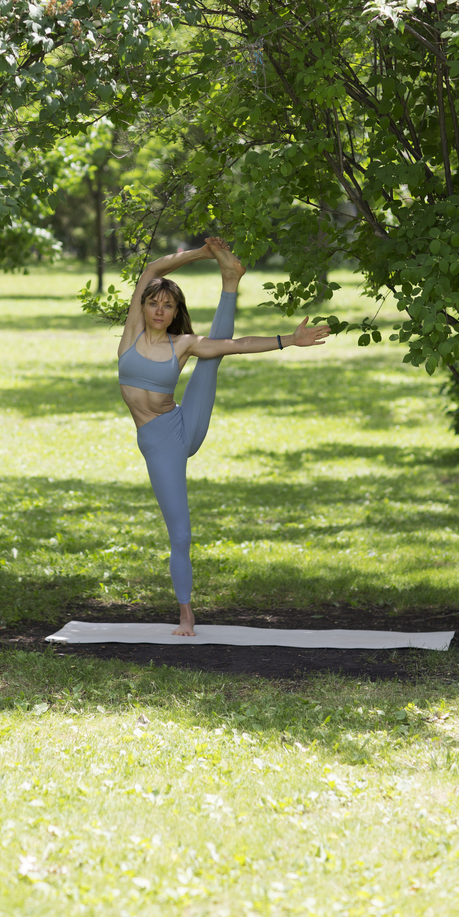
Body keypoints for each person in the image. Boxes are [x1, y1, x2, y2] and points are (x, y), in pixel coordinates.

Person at [118, 237, 330, 636]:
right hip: (159, 442)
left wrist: (288, 340)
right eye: (153, 303)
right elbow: (152, 271)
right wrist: (201, 253)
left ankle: (229, 283)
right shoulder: (130, 334)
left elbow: (236, 345)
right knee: (179, 532)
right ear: (143, 306)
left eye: (168, 305)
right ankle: (230, 276)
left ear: (177, 311)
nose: (159, 310)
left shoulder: (184, 344)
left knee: (212, 361)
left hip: (185, 427)